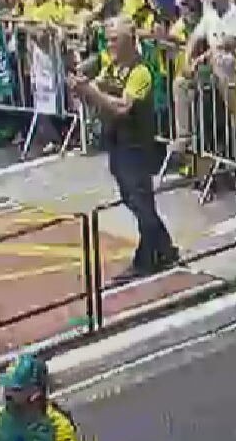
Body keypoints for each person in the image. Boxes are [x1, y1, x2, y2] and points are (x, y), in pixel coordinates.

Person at [69, 16, 178, 279]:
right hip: (118, 143)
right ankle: (164, 247)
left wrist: (91, 92)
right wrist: (82, 88)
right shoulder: (114, 67)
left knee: (140, 201)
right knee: (133, 199)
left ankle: (149, 257)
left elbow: (121, 107)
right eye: (109, 41)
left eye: (115, 40)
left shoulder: (140, 72)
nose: (110, 45)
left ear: (130, 41)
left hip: (136, 146)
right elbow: (99, 89)